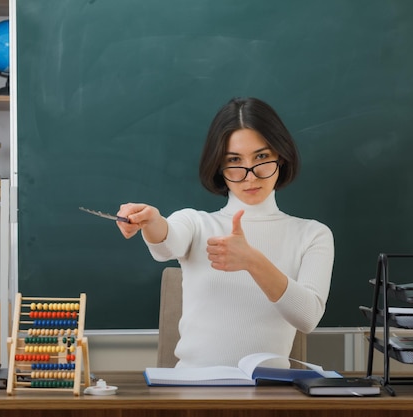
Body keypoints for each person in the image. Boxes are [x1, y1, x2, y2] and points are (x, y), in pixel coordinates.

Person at [116, 97, 334, 368]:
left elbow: (308, 317)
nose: (250, 176)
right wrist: (150, 220)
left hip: (270, 395)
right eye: (234, 160)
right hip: (192, 393)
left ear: (282, 156)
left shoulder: (312, 235)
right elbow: (166, 242)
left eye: (262, 157)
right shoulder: (196, 224)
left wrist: (252, 262)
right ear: (219, 166)